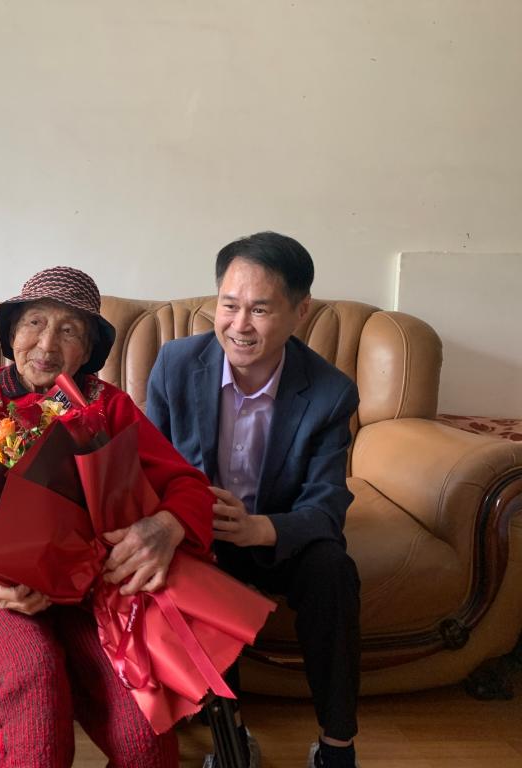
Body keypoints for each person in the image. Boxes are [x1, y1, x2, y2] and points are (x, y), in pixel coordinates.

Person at [0, 266, 215, 768]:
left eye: (69, 330)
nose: (47, 344)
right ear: (13, 334)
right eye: (34, 323)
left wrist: (165, 526)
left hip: (86, 590)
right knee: (35, 668)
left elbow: (187, 486)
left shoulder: (108, 407)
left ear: (87, 349)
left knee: (143, 729)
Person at [146, 232, 361, 768]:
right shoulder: (175, 364)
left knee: (334, 570)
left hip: (275, 532)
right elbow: (145, 469)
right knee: (186, 569)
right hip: (197, 534)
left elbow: (326, 504)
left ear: (300, 312)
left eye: (260, 309)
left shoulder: (330, 391)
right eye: (229, 305)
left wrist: (256, 528)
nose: (240, 325)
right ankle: (231, 736)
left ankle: (337, 744)